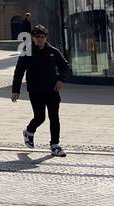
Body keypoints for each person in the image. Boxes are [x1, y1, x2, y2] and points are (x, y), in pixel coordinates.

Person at [12, 24, 71, 157]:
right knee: (40, 117)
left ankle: (55, 145)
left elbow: (65, 67)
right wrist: (15, 90)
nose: (40, 39)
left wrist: (61, 80)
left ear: (46, 37)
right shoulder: (27, 52)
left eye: (42, 37)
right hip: (35, 90)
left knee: (54, 117)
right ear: (33, 38)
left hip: (52, 90)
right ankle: (29, 131)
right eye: (37, 37)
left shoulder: (53, 51)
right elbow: (19, 71)